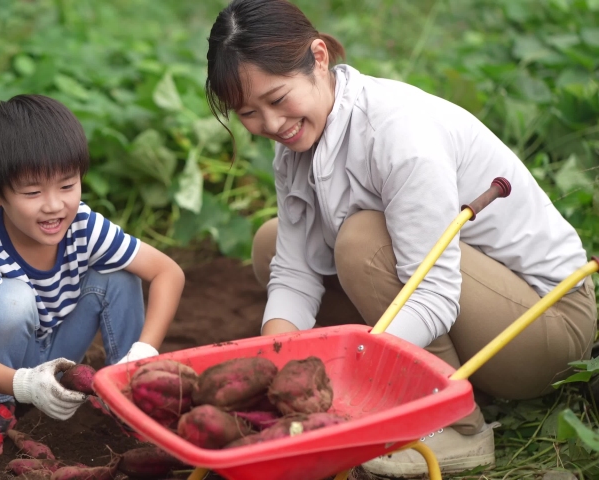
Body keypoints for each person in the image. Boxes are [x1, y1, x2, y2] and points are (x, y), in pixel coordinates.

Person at [205, 0, 597, 477]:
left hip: (544, 327)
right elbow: (292, 270)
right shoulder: (296, 147)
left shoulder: (397, 133)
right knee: (273, 245)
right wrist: (277, 372)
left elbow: (431, 295)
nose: (271, 125)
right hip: (472, 310)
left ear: (319, 57)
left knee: (363, 243)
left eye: (278, 98)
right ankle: (427, 377)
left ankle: (455, 425)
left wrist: (348, 372)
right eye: (248, 112)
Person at [0, 94, 185, 461]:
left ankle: (128, 390)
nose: (54, 205)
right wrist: (22, 383)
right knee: (12, 298)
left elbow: (168, 272)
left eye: (67, 186)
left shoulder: (84, 226)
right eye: (33, 192)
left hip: (57, 354)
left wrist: (144, 351)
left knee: (117, 275)